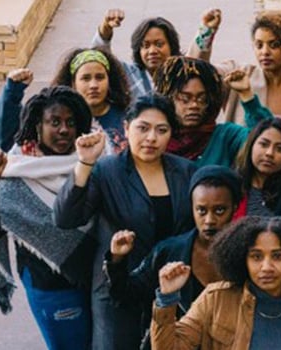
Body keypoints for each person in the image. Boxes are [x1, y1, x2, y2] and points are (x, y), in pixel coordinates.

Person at [53, 94, 196, 350]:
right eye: (143, 128)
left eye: (161, 130)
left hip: (172, 289)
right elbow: (66, 218)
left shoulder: (187, 172)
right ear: (127, 128)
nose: (151, 138)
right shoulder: (107, 171)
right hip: (116, 290)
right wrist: (85, 163)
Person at [0, 86, 93, 349]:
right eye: (55, 122)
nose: (64, 129)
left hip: (96, 281)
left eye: (71, 122)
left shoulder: (91, 160)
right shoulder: (16, 170)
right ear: (38, 125)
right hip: (51, 288)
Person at [104, 165, 242, 348]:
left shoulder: (246, 256)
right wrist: (117, 259)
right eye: (201, 210)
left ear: (234, 208)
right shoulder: (168, 252)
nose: (209, 220)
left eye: (219, 210)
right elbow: (126, 295)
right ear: (192, 208)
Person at [150, 216, 281, 349]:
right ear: (242, 259)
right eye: (256, 257)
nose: (266, 267)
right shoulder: (215, 299)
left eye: (278, 256)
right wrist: (167, 298)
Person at [0, 47, 131, 154]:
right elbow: (2, 134)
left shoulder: (129, 118)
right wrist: (12, 92)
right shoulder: (52, 115)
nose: (93, 85)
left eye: (99, 77)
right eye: (85, 78)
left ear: (109, 81)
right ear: (73, 83)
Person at [189, 9, 281, 124]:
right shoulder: (238, 74)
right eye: (259, 45)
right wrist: (207, 32)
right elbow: (198, 70)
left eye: (274, 45)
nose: (265, 52)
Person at [153, 56, 272, 167]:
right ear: (168, 99)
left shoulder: (225, 136)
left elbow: (269, 137)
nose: (194, 105)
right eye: (185, 99)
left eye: (202, 99)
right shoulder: (155, 138)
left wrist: (247, 95)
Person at [93, 9, 181, 99]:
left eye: (159, 44)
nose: (152, 51)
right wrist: (106, 28)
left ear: (172, 45)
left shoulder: (183, 74)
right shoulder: (127, 74)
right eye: (145, 46)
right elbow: (98, 58)